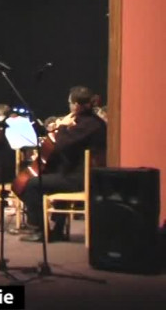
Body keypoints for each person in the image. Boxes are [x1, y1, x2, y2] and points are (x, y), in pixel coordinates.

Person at [14, 86, 106, 242]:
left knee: (31, 184)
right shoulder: (93, 122)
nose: (69, 106)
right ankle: (58, 229)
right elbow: (71, 148)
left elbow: (62, 145)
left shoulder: (87, 124)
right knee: (46, 178)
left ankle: (39, 230)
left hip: (79, 178)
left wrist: (62, 126)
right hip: (79, 173)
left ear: (76, 105)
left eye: (70, 103)